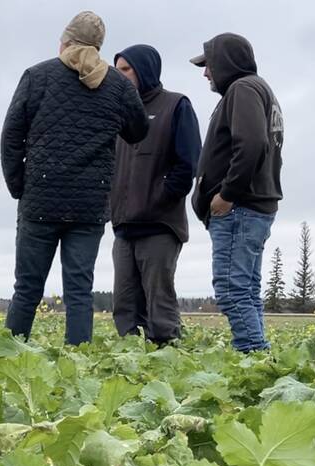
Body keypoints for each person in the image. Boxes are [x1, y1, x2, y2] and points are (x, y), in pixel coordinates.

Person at [0, 11, 148, 345]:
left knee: (27, 289)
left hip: (39, 199)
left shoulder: (37, 77)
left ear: (66, 41)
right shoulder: (118, 86)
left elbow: (11, 136)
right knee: (79, 290)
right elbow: (139, 130)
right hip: (89, 205)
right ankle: (76, 366)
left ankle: (6, 359)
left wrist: (18, 186)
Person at [191, 33, 284, 352]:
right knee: (246, 291)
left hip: (239, 209)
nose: (206, 73)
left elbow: (252, 144)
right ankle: (260, 358)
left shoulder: (242, 89)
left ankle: (254, 358)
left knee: (231, 291)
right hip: (254, 207)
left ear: (224, 63)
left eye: (209, 66)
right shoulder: (257, 90)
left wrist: (227, 194)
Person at [109, 45, 201, 345]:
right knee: (124, 302)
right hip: (123, 226)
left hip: (159, 224)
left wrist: (159, 197)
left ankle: (167, 353)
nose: (119, 76)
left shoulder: (176, 106)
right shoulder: (118, 111)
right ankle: (129, 357)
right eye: (117, 70)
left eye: (126, 70)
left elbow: (188, 164)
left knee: (159, 300)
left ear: (144, 70)